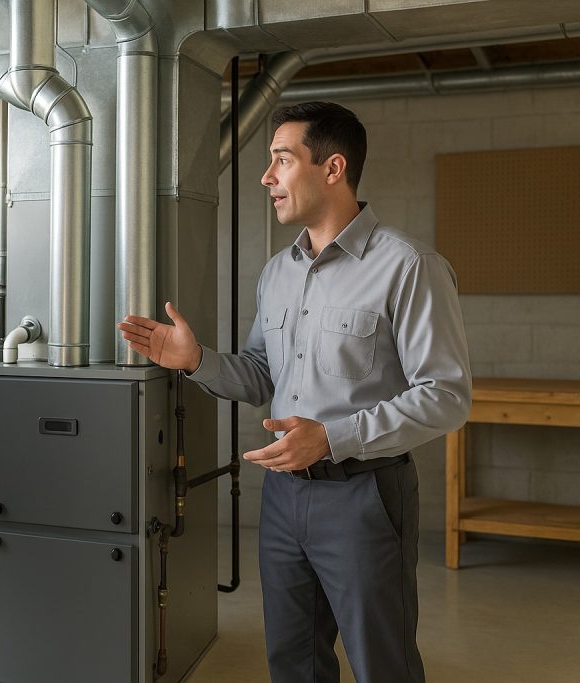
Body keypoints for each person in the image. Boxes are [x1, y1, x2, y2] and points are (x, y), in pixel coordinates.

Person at [119, 101, 471, 682]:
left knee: (382, 663)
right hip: (283, 499)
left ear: (332, 168)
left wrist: (332, 439)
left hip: (365, 496)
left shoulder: (408, 266)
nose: (266, 176)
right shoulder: (278, 272)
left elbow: (447, 395)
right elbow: (262, 374)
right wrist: (196, 361)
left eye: (282, 159)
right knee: (292, 660)